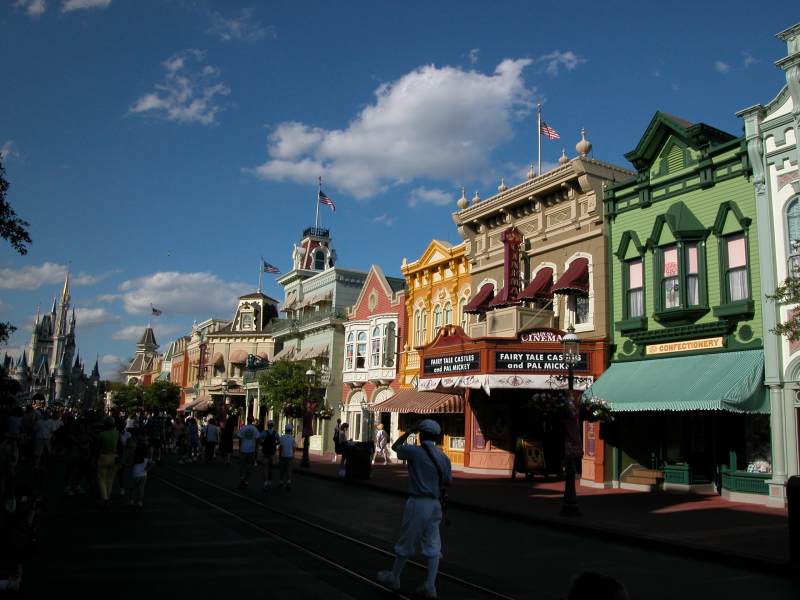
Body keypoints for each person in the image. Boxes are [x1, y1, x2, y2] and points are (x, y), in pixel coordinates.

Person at [377, 419, 451, 599]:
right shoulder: (444, 457)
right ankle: (430, 586)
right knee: (433, 544)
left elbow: (395, 447)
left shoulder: (415, 452)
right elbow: (447, 481)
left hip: (418, 502)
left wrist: (409, 431)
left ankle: (394, 577)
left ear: (421, 435)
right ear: (437, 437)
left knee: (407, 540)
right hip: (435, 504)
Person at [95, 417, 120, 507]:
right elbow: (120, 446)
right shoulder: (117, 433)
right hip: (114, 457)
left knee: (101, 478)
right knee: (110, 479)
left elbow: (97, 447)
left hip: (104, 456)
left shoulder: (101, 434)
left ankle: (105, 498)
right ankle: (107, 497)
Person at [236, 417, 261, 489]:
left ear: (247, 420)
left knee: (242, 465)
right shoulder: (254, 429)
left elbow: (239, 437)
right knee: (249, 466)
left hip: (243, 449)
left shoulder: (243, 428)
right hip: (251, 450)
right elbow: (258, 438)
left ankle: (242, 478)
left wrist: (240, 446)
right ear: (252, 421)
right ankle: (246, 480)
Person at [128, 435, 151, 508]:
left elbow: (130, 464)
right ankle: (140, 502)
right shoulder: (146, 457)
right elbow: (151, 463)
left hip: (135, 474)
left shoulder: (135, 456)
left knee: (132, 488)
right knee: (141, 489)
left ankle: (131, 501)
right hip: (143, 474)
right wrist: (147, 469)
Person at [261, 420, 280, 491]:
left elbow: (259, 439)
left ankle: (266, 481)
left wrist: (263, 444)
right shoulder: (275, 433)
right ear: (273, 426)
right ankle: (270, 481)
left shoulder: (264, 433)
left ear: (267, 425)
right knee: (271, 467)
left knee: (266, 467)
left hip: (265, 451)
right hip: (272, 452)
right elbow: (279, 441)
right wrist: (275, 444)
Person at [278, 423, 296, 491]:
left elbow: (281, 447)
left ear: (285, 430)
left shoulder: (282, 437)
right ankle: (288, 482)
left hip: (283, 455)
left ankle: (281, 481)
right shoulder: (292, 438)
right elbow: (294, 448)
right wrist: (293, 454)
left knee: (282, 469)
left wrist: (280, 455)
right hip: (290, 456)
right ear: (291, 430)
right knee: (289, 469)